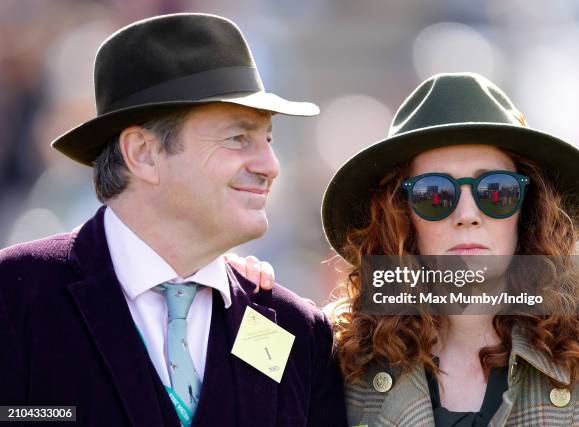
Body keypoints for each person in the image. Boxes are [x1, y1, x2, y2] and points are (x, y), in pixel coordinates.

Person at [0, 13, 347, 427]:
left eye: (268, 139)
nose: (270, 165)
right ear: (143, 153)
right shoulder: (16, 297)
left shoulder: (297, 329)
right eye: (239, 138)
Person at [256, 72, 579, 426]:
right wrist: (236, 291)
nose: (468, 215)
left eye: (496, 190)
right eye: (435, 194)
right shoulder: (334, 357)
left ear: (529, 210)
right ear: (400, 215)